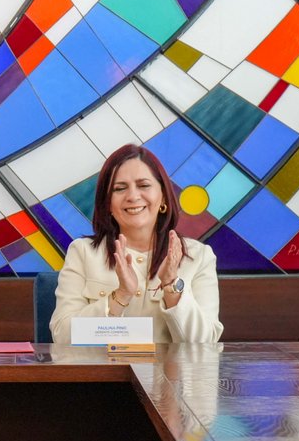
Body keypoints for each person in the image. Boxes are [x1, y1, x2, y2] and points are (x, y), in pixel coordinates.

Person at [50, 143, 222, 343]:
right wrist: (121, 295)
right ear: (108, 203)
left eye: (144, 185)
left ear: (163, 196)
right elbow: (62, 336)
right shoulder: (82, 252)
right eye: (120, 188)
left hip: (171, 365)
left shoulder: (199, 256)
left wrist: (171, 285)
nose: (132, 196)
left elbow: (204, 344)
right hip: (103, 365)